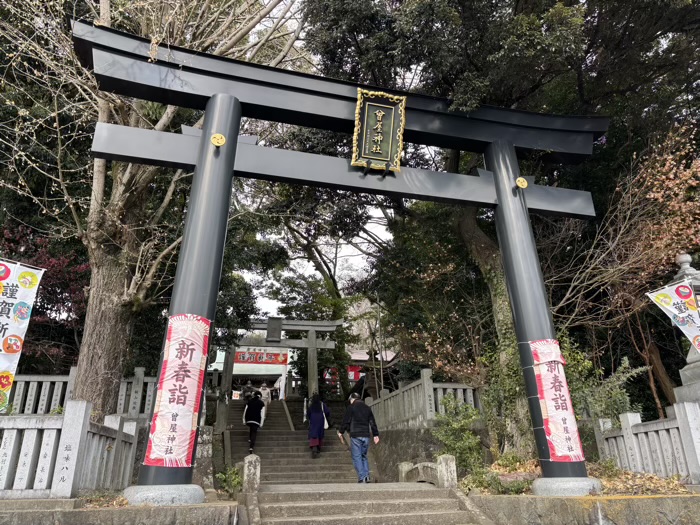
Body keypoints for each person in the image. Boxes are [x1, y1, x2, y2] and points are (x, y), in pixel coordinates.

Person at [338, 392, 380, 483]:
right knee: (364, 456)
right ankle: (367, 476)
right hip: (366, 435)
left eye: (350, 400)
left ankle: (362, 477)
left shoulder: (351, 407)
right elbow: (372, 422)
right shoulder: (367, 408)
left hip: (356, 435)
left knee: (357, 457)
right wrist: (376, 434)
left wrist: (341, 432)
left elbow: (346, 421)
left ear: (352, 399)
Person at [307, 394, 331, 458]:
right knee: (319, 432)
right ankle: (318, 446)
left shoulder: (311, 406)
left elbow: (308, 413)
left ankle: (313, 445)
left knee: (313, 432)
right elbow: (327, 412)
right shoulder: (322, 405)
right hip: (320, 419)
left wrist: (310, 418)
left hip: (313, 419)